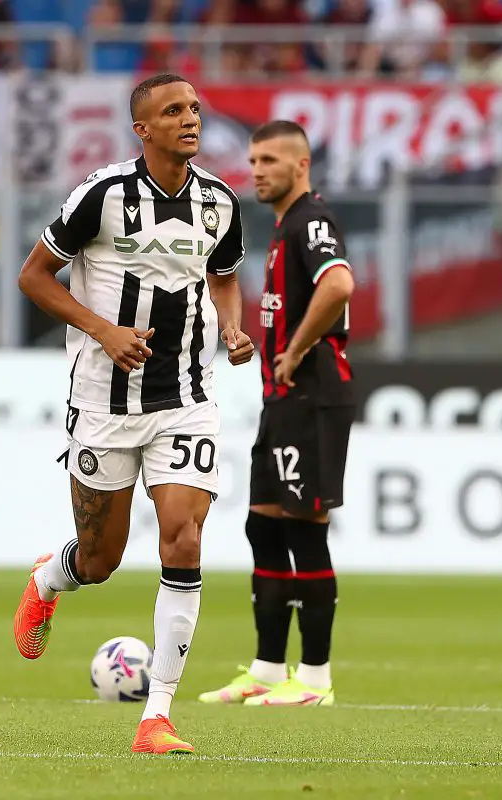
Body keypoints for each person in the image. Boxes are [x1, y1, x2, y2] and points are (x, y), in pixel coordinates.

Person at [13, 73, 254, 755]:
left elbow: (225, 273)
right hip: (102, 400)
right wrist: (103, 330)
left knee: (182, 537)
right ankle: (50, 576)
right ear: (141, 129)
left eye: (195, 109)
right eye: (172, 111)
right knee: (101, 557)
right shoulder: (102, 195)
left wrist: (231, 328)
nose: (190, 119)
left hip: (186, 397)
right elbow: (33, 276)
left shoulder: (218, 202)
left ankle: (157, 717)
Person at [198, 120, 355, 707]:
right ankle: (267, 669)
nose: (257, 170)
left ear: (301, 165)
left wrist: (295, 348)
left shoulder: (310, 221)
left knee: (303, 530)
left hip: (314, 396)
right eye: (254, 160)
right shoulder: (286, 226)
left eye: (269, 160)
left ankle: (314, 679)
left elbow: (338, 285)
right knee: (263, 524)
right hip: (283, 399)